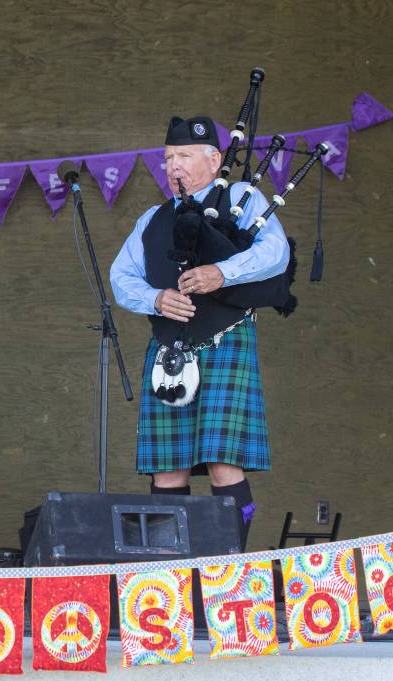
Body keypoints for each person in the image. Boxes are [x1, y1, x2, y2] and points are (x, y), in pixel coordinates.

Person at [109, 115, 290, 550]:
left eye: (185, 157)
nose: (174, 167)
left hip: (226, 340)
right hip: (170, 348)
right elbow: (122, 277)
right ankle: (172, 574)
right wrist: (155, 299)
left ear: (214, 160)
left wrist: (220, 273)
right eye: (168, 158)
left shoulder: (244, 199)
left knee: (222, 462)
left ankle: (224, 567)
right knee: (167, 467)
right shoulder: (152, 219)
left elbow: (276, 253)